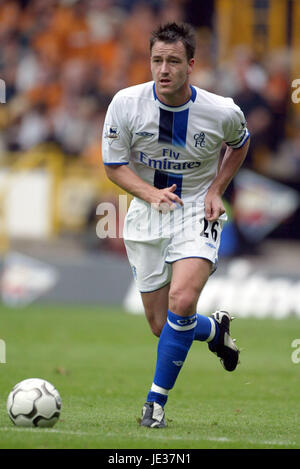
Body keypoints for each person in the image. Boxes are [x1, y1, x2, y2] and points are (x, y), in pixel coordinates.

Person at [102, 22, 250, 428]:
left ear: (191, 66)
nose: (163, 69)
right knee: (160, 325)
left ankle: (155, 403)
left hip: (195, 211)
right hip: (147, 212)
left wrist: (217, 188)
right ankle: (213, 332)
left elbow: (240, 143)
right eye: (156, 60)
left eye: (172, 61)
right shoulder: (126, 104)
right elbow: (114, 165)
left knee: (181, 301)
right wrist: (149, 195)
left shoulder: (221, 111)